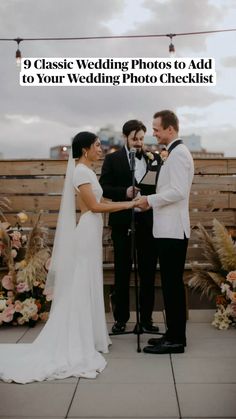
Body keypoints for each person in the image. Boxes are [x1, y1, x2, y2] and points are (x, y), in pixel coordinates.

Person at [0, 132, 135, 383]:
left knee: (88, 281)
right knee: (81, 283)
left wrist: (127, 198)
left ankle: (89, 336)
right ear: (85, 149)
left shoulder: (88, 171)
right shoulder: (82, 172)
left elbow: (101, 199)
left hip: (92, 230)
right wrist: (128, 206)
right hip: (86, 231)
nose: (101, 149)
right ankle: (77, 338)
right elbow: (94, 207)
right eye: (97, 145)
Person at [135, 110, 194, 354]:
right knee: (170, 285)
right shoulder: (175, 152)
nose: (154, 133)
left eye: (157, 128)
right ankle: (172, 334)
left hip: (172, 230)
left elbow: (179, 191)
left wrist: (150, 199)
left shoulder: (179, 154)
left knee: (172, 286)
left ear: (170, 129)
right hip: (167, 230)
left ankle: (176, 340)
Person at [100, 119, 160, 334]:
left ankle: (146, 320)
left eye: (142, 139)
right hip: (122, 222)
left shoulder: (152, 158)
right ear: (125, 137)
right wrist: (123, 192)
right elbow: (103, 187)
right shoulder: (112, 159)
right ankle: (121, 319)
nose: (138, 142)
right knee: (122, 273)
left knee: (147, 273)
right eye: (135, 138)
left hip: (147, 222)